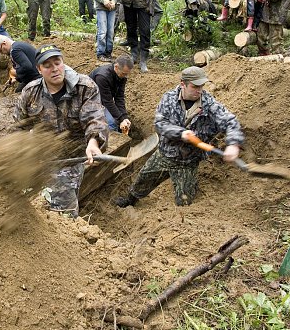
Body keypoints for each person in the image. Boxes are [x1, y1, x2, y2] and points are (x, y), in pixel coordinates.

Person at [115, 66, 244, 208]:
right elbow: (160, 124)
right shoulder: (169, 99)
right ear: (183, 84)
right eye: (195, 86)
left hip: (188, 161)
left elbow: (230, 121)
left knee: (184, 202)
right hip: (165, 154)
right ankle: (129, 201)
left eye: (201, 86)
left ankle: (188, 190)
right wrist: (181, 133)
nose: (199, 90)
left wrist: (233, 143)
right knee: (142, 182)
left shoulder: (209, 104)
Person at [14, 44, 109, 217]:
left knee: (63, 210)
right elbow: (18, 128)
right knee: (29, 204)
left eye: (57, 63)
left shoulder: (85, 87)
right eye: (47, 66)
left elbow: (94, 118)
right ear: (39, 69)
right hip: (42, 158)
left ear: (63, 62)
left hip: (72, 158)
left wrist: (94, 142)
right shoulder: (30, 92)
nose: (54, 69)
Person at [89, 54, 133, 133]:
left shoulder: (122, 76)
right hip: (90, 101)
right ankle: (112, 143)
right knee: (111, 122)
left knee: (118, 118)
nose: (125, 76)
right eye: (124, 73)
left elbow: (119, 97)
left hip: (104, 99)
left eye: (127, 74)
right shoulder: (102, 77)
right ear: (116, 67)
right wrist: (120, 119)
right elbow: (107, 101)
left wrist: (124, 117)